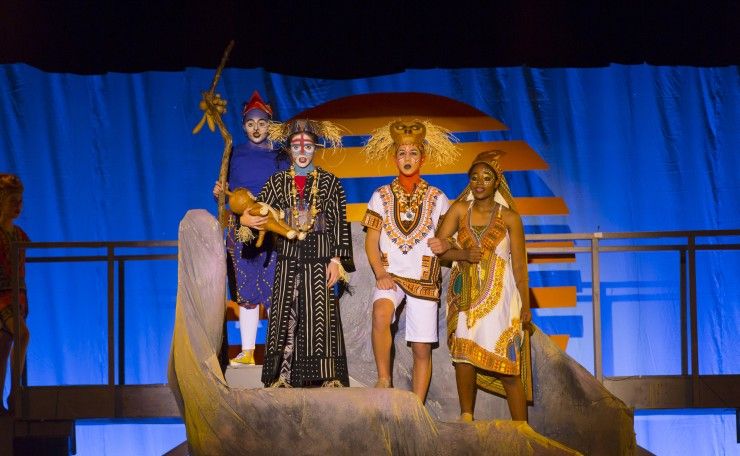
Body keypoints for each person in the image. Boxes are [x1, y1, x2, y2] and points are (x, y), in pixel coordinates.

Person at [241, 119, 354, 388]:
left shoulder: (330, 183)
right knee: (284, 316)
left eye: (308, 146)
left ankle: (328, 376)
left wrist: (336, 260)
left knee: (321, 318)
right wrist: (245, 218)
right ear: (289, 149)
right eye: (296, 146)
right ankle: (282, 376)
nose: (302, 152)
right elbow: (259, 209)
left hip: (320, 260)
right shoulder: (278, 182)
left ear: (316, 148)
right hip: (289, 258)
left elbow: (339, 223)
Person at [428, 151, 532, 422]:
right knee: (463, 357)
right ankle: (467, 418)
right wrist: (463, 254)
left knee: (508, 365)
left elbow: (520, 266)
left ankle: (522, 431)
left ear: (497, 182)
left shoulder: (510, 218)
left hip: (502, 300)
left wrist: (526, 305)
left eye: (486, 177)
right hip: (466, 297)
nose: (480, 183)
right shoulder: (459, 210)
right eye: (474, 177)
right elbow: (437, 249)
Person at [361, 120, 459, 403]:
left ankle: (416, 406)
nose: (407, 158)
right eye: (402, 153)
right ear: (395, 158)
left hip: (424, 278)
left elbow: (452, 239)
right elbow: (371, 240)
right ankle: (384, 379)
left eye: (413, 153)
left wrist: (446, 243)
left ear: (422, 158)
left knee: (421, 348)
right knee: (380, 314)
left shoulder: (437, 197)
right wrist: (380, 272)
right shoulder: (380, 196)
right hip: (390, 275)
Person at [212, 91, 290, 367]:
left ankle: (277, 353)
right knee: (246, 292)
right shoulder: (234, 153)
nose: (256, 128)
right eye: (250, 123)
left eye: (262, 123)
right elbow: (228, 195)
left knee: (274, 291)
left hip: (272, 229)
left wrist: (272, 215)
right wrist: (220, 193)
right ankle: (247, 352)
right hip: (242, 229)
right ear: (244, 126)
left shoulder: (281, 156)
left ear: (270, 124)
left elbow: (287, 192)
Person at [0, 174, 30, 415]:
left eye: (20, 201)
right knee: (22, 335)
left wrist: (23, 296)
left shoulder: (19, 235)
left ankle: (8, 396)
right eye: (13, 201)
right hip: (2, 298)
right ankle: (15, 391)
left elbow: (21, 269)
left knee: (4, 347)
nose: (18, 206)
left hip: (16, 296)